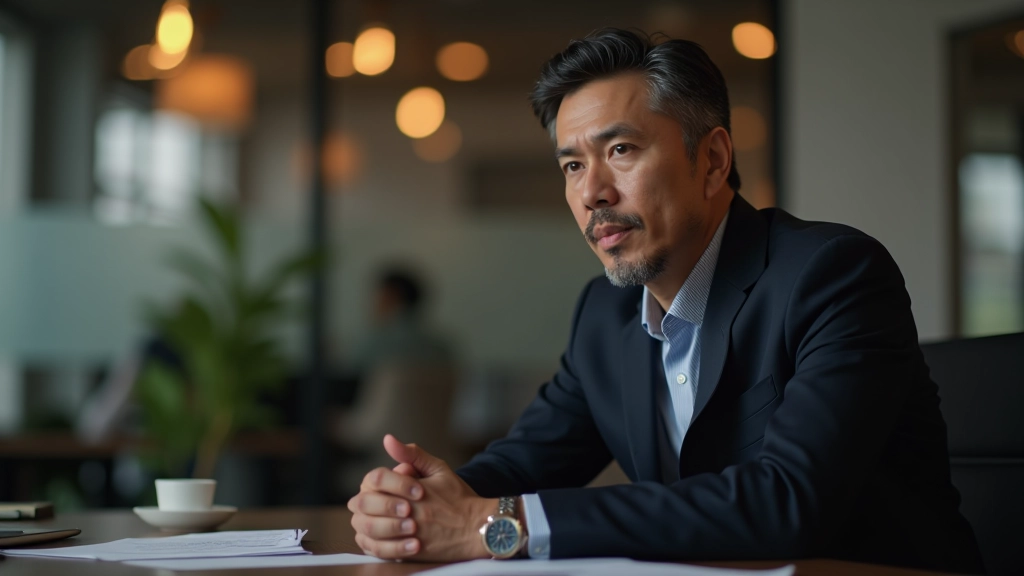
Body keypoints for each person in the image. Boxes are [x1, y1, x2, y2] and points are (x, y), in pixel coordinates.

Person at [347, 29, 984, 573]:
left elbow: (785, 501)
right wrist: (417, 503)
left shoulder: (832, 276)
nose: (592, 191)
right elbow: (526, 462)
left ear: (711, 161)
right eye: (572, 166)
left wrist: (494, 524)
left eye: (620, 150)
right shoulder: (605, 311)